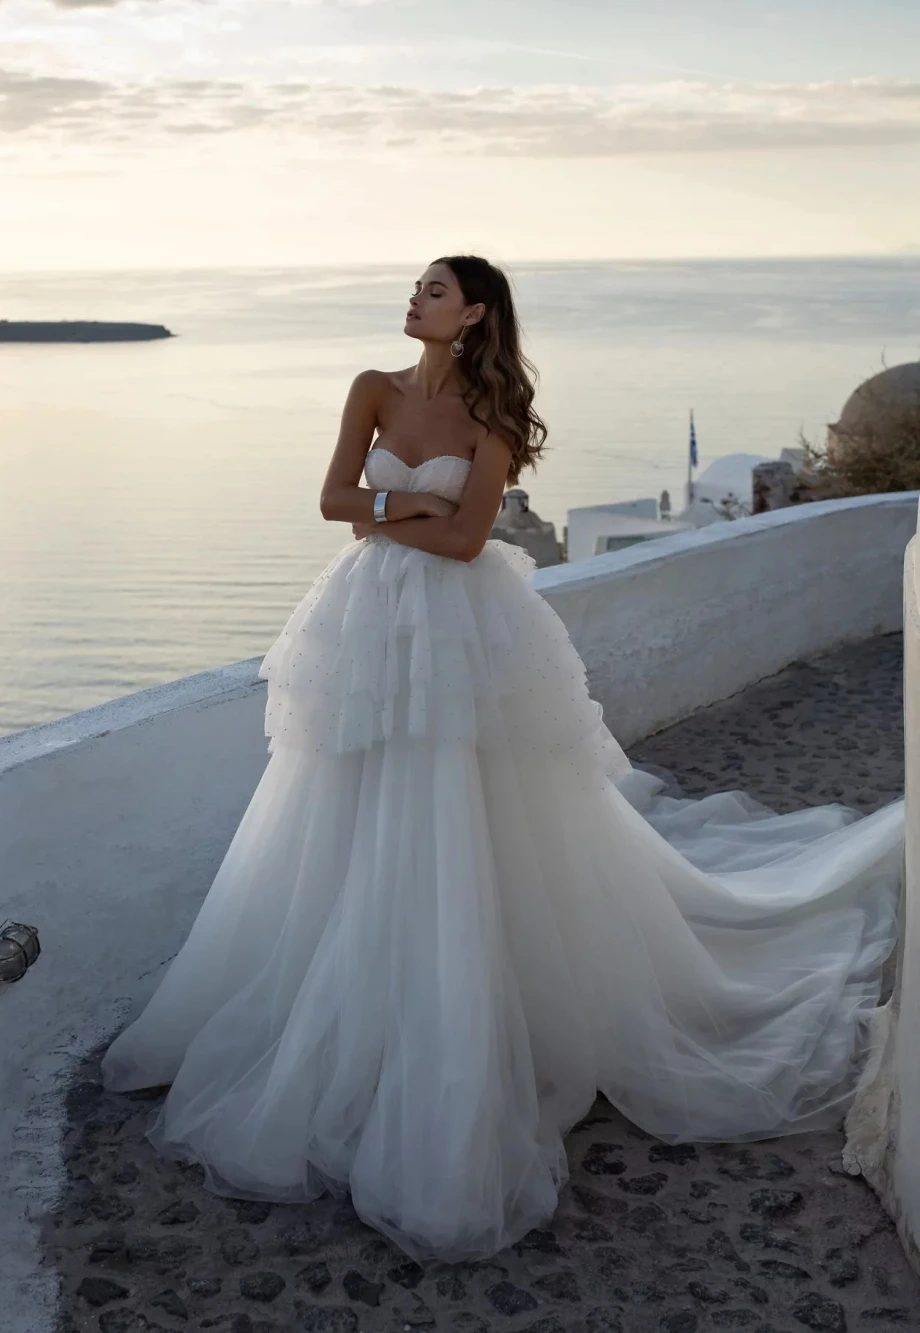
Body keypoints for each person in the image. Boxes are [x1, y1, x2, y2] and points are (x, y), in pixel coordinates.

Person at [100, 254, 905, 1265]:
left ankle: (463, 1014)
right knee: (351, 795)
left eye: (435, 290)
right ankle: (352, 1004)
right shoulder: (373, 389)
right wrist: (415, 515)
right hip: (368, 625)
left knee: (460, 805)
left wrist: (397, 517)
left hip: (461, 632)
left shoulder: (496, 410)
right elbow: (328, 499)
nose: (414, 299)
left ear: (474, 312)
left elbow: (470, 537)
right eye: (416, 287)